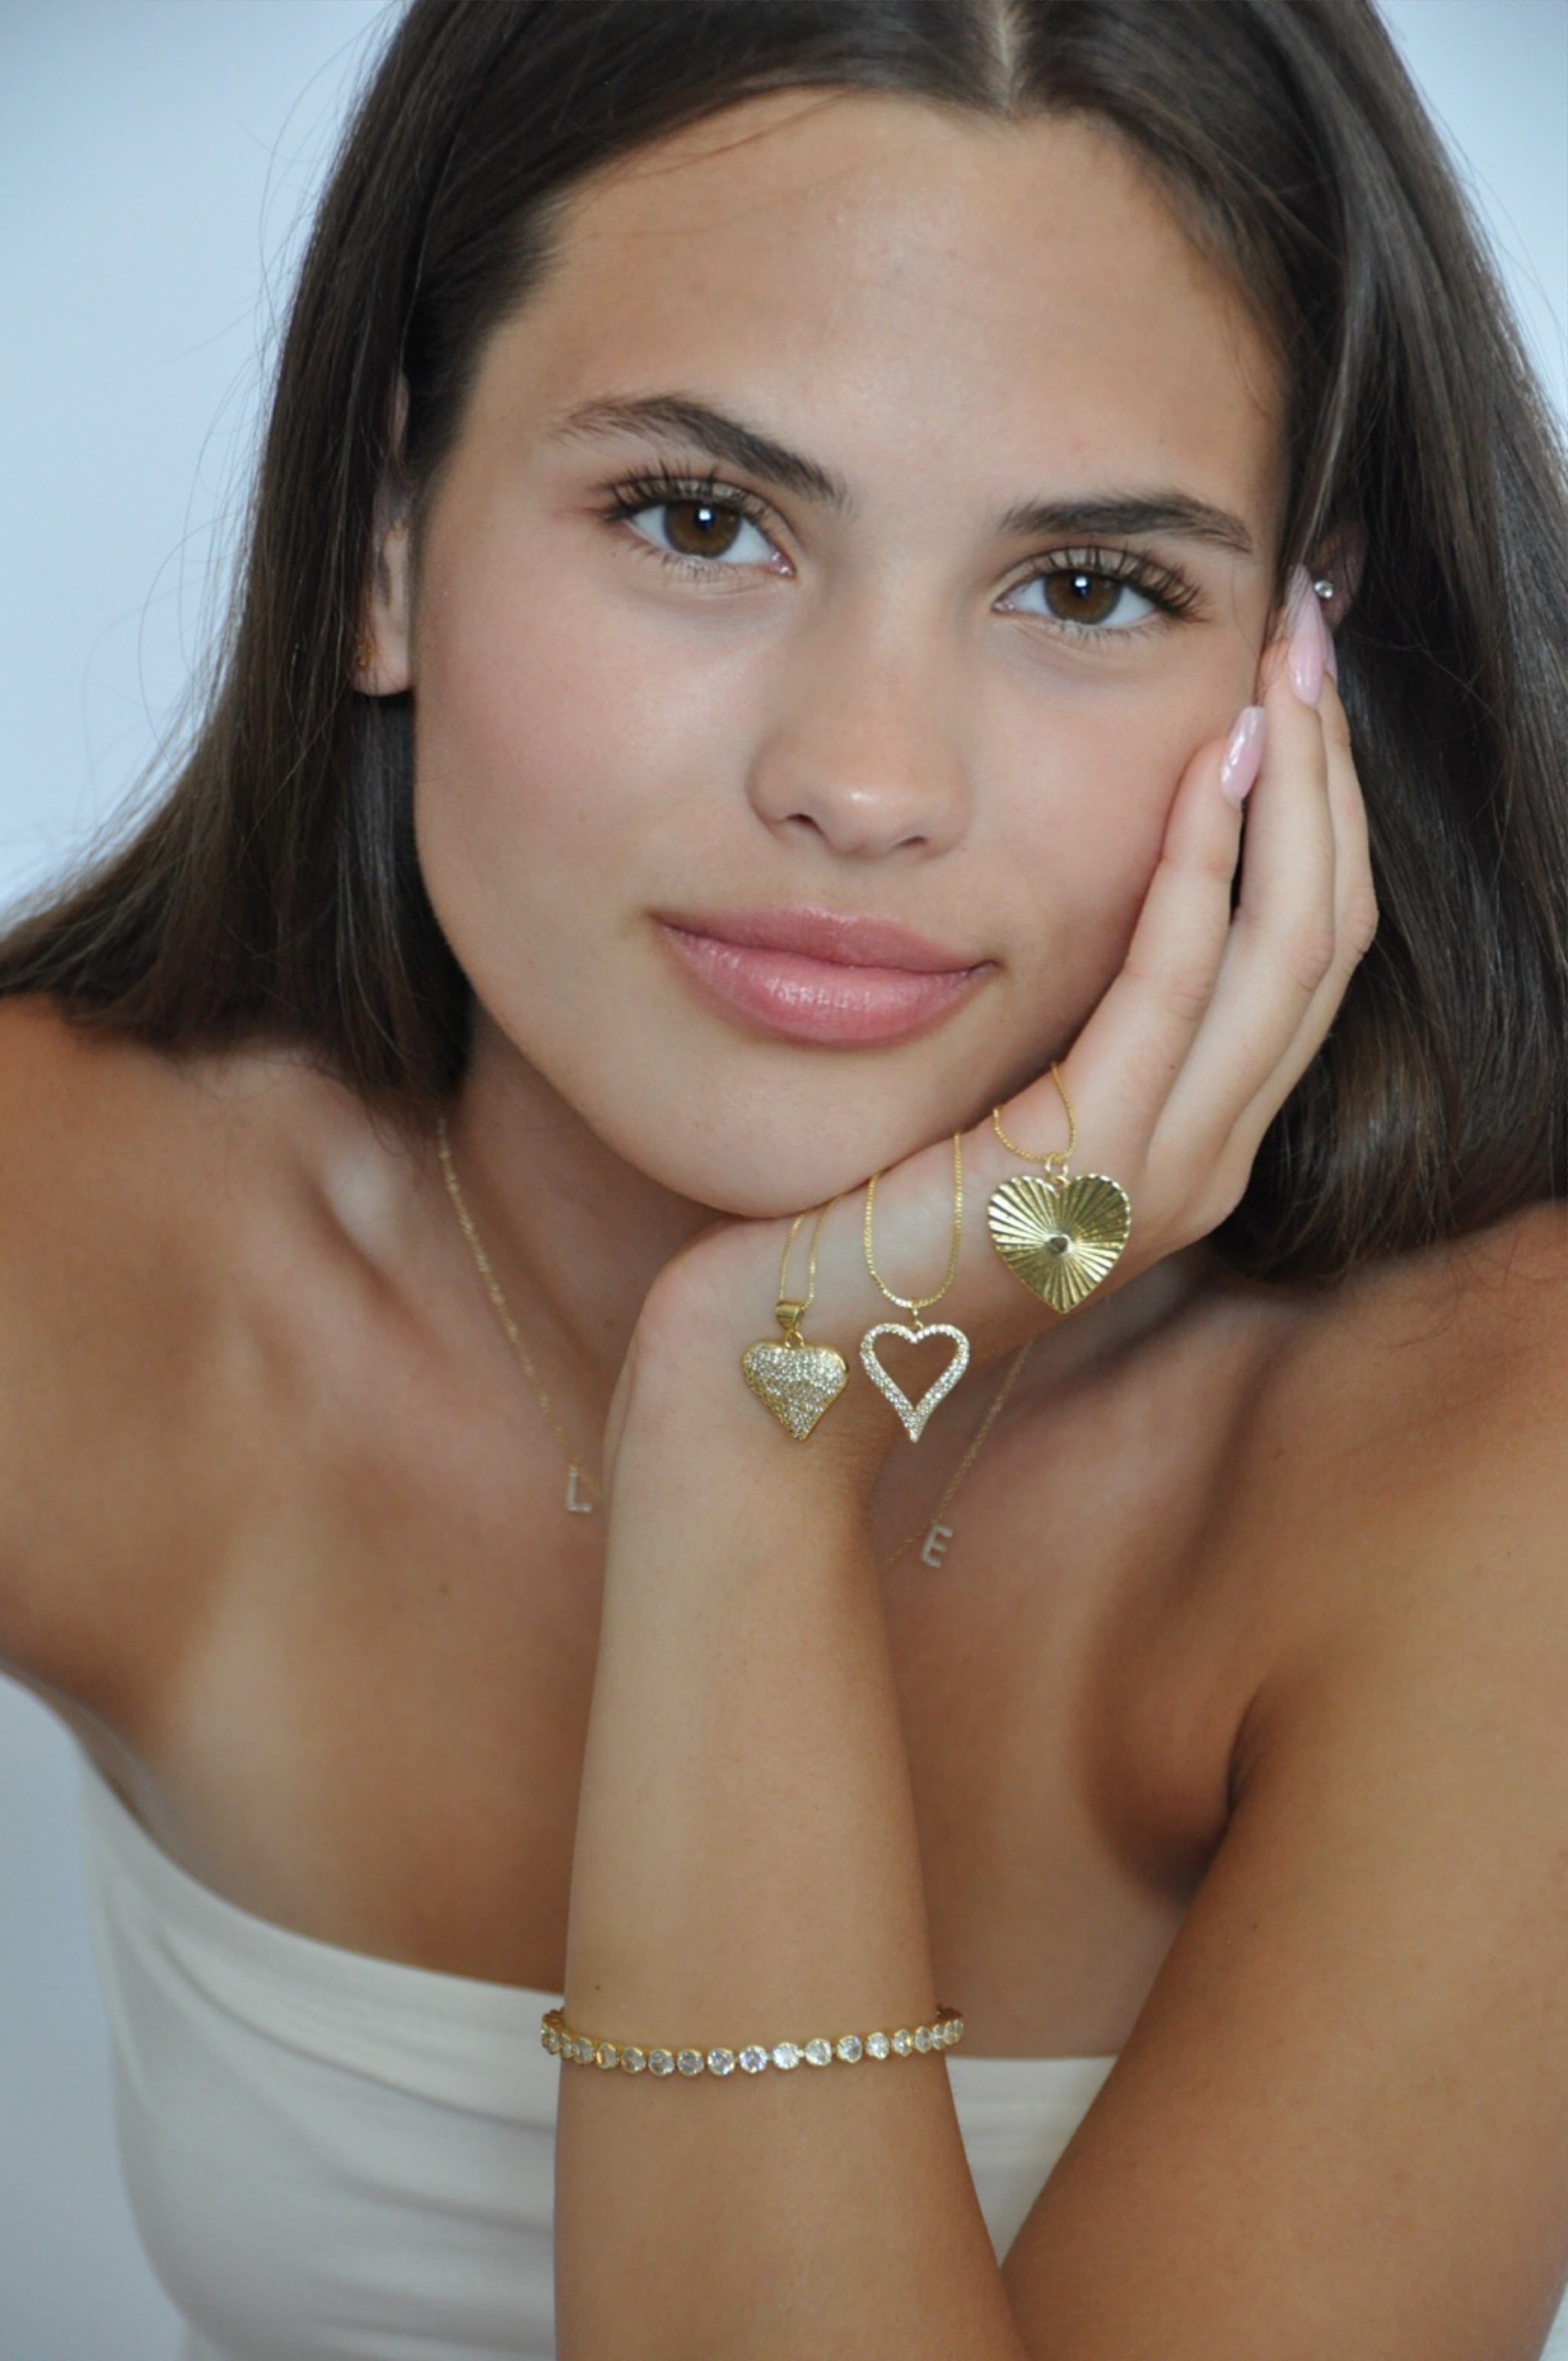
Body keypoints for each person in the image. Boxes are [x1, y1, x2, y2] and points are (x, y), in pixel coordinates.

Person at [3, 0, 1567, 2353]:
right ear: (384, 540)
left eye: (1086, 587)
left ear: (1297, 673)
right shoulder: (79, 1225)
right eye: (700, 520)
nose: (865, 779)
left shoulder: (1495, 1441)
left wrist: (764, 1427)